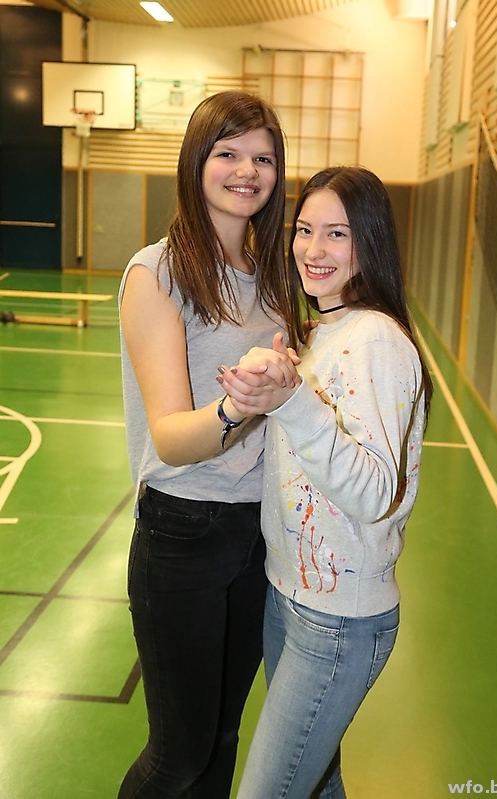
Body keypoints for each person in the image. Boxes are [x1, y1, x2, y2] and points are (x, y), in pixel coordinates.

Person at [216, 165, 433, 798]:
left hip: (337, 621)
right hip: (289, 597)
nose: (314, 249)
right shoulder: (328, 332)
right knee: (314, 784)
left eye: (337, 233)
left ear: (370, 240)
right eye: (305, 229)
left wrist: (292, 402)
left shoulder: (378, 339)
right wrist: (273, 388)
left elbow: (373, 494)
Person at [117, 90, 299, 799]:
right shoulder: (156, 273)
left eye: (263, 158)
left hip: (260, 529)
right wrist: (237, 406)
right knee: (179, 755)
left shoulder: (272, 274)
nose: (247, 171)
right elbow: (169, 438)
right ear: (196, 161)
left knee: (223, 737)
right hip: (184, 529)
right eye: (228, 153)